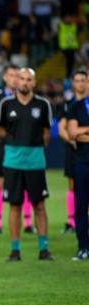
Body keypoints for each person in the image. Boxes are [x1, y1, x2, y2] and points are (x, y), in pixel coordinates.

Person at [0, 68, 54, 261]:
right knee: (15, 206)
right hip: (13, 162)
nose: (24, 82)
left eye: (29, 79)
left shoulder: (43, 104)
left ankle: (43, 249)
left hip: (36, 162)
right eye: (21, 79)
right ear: (16, 81)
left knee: (39, 205)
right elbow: (1, 131)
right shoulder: (6, 104)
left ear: (34, 83)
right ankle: (15, 250)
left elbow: (46, 134)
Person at [0, 64, 35, 236]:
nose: (15, 78)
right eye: (11, 75)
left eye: (17, 75)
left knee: (25, 183)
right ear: (5, 77)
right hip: (3, 145)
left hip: (23, 146)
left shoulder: (26, 97)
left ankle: (28, 222)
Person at [57, 70, 87, 234]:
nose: (81, 83)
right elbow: (63, 129)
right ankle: (71, 220)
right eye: (77, 80)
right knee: (73, 186)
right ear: (73, 84)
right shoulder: (68, 104)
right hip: (74, 150)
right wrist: (73, 141)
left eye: (83, 80)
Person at [68, 74, 89, 261]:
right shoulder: (75, 107)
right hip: (82, 162)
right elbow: (73, 133)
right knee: (81, 207)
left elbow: (78, 132)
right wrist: (80, 132)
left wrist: (83, 130)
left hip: (82, 157)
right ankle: (83, 246)